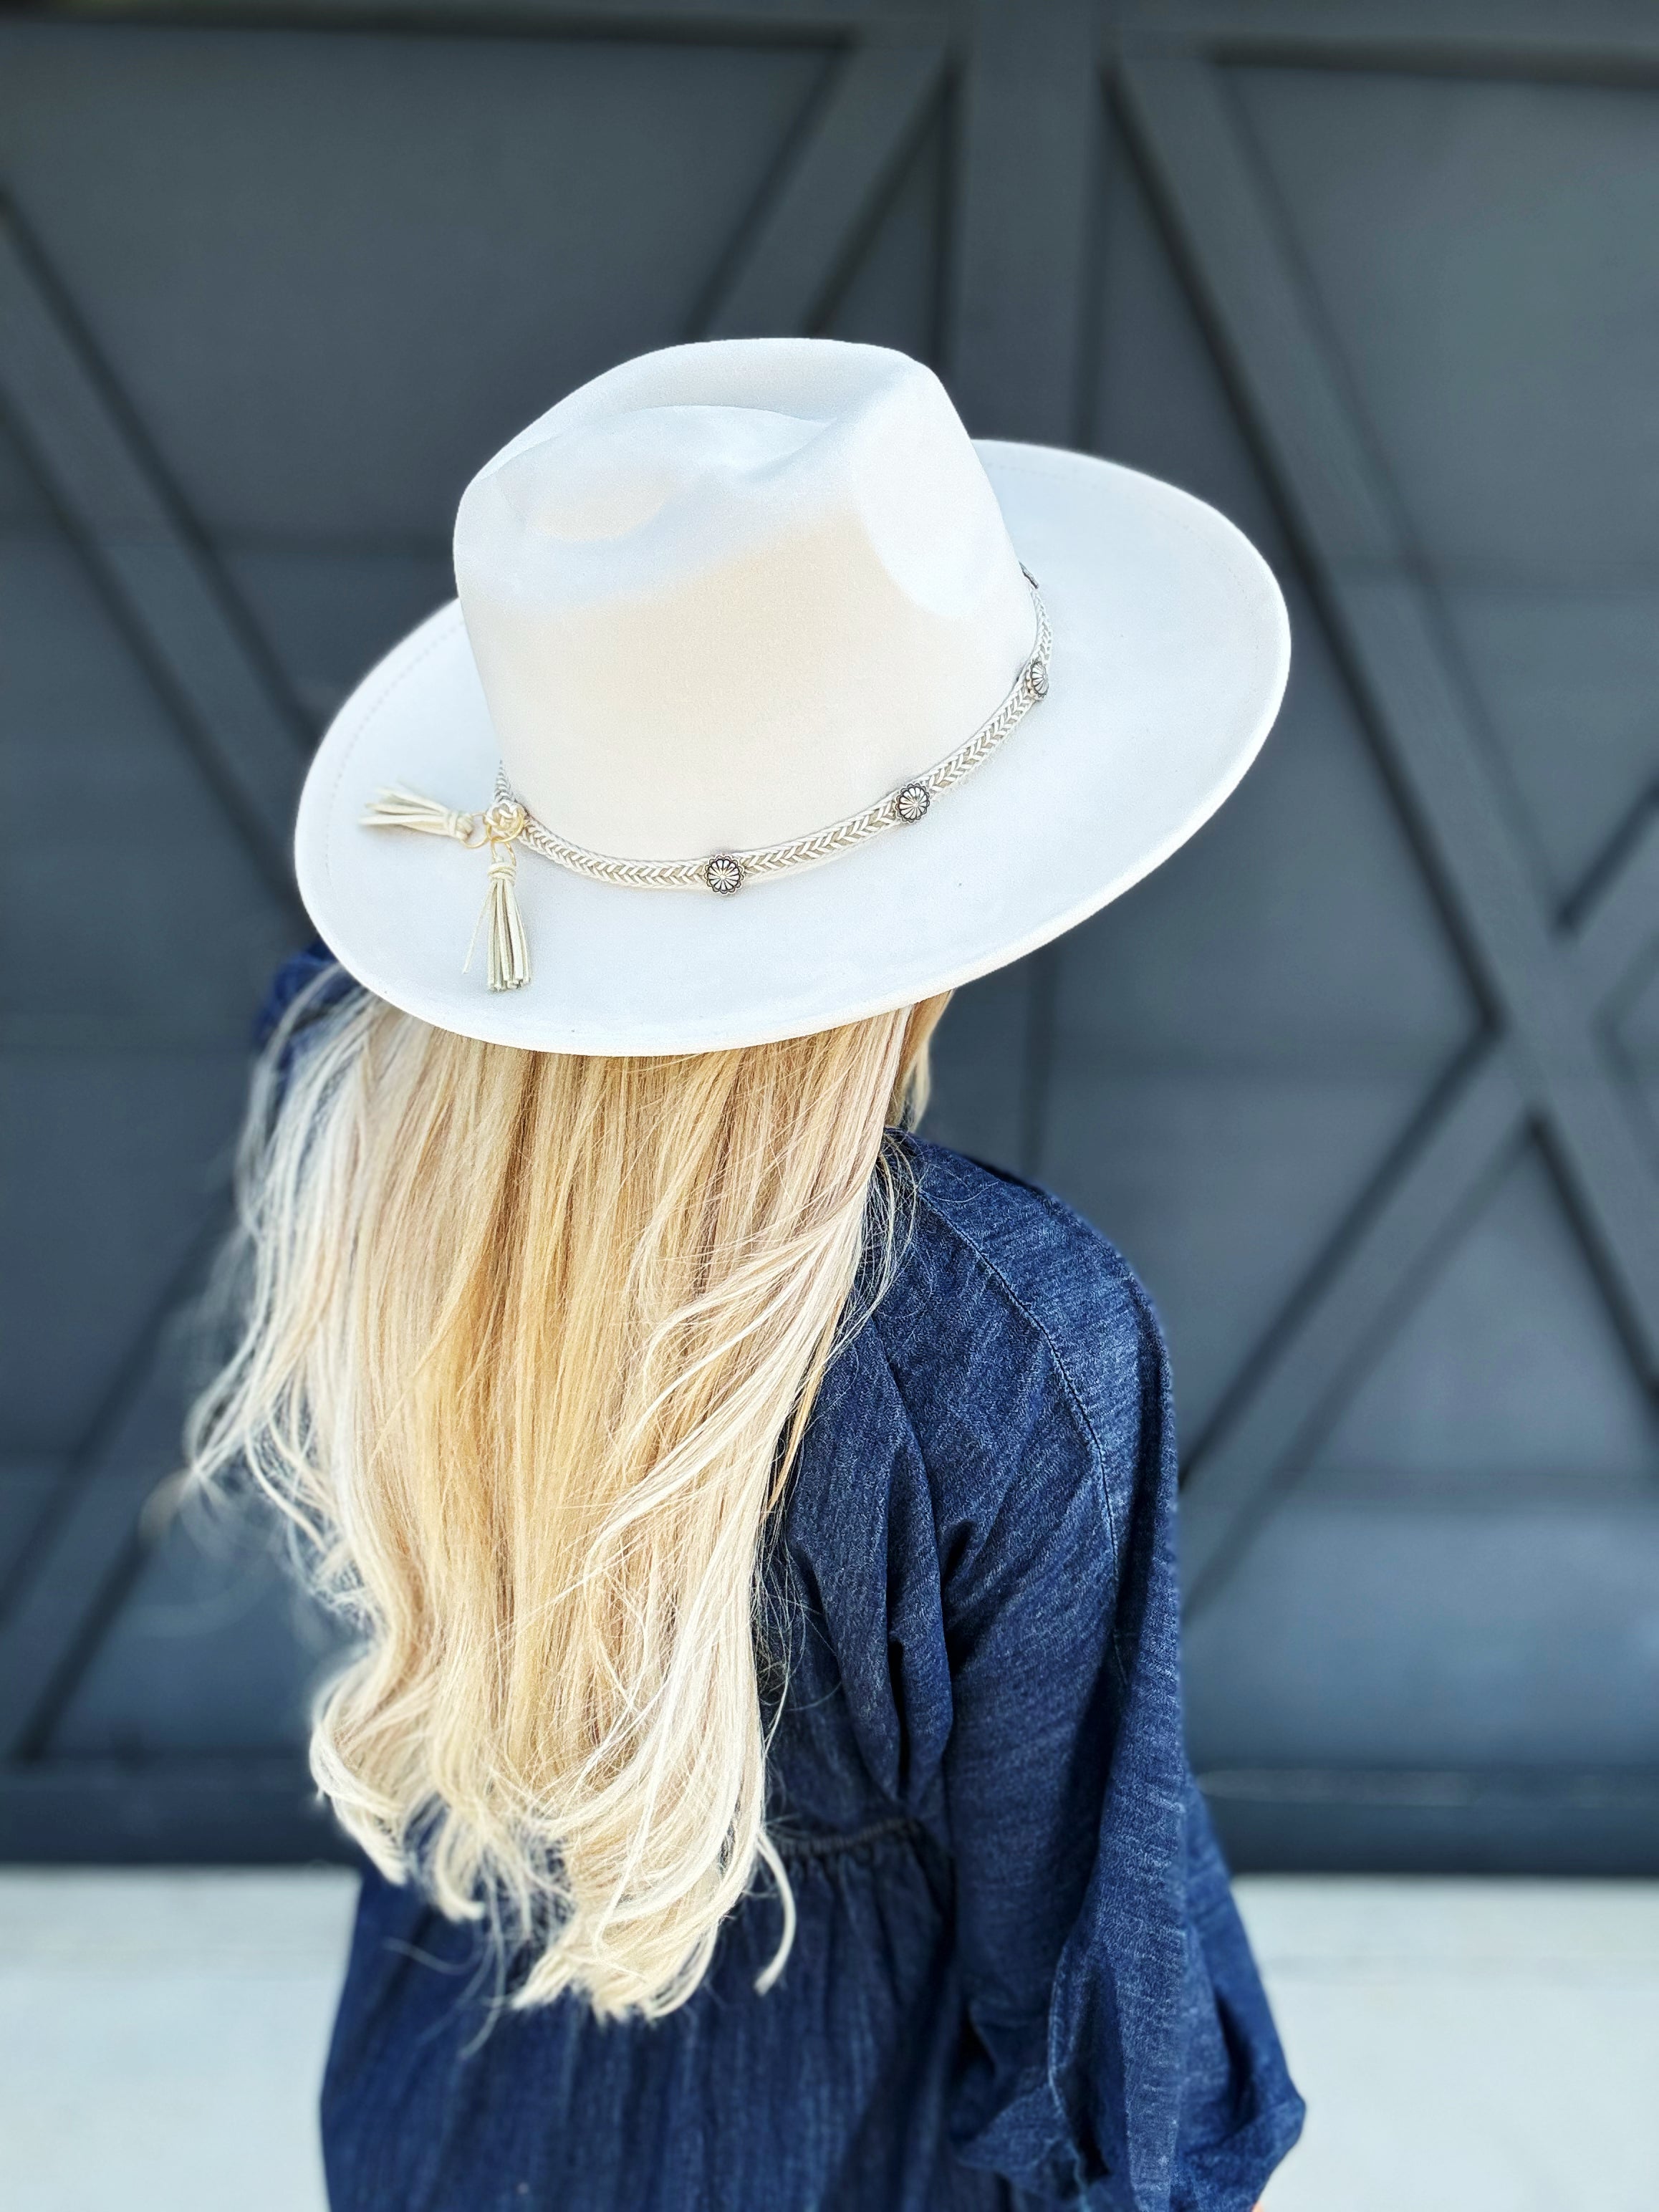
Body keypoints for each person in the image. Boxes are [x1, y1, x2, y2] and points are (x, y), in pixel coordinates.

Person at [189, 339, 1304, 2210]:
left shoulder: (347, 1102)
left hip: (453, 2083)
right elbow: (1084, 1987)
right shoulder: (1013, 1341)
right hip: (848, 2124)